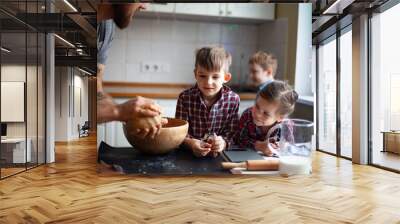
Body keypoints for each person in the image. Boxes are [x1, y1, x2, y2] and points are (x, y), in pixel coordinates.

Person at [97, 3, 166, 138]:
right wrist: (118, 111)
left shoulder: (107, 26)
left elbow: (96, 94)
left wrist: (135, 113)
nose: (145, 6)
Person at [175, 46, 240, 157]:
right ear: (195, 74)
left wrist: (223, 143)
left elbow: (232, 134)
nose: (208, 82)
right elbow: (179, 133)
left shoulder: (233, 100)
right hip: (189, 156)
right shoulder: (185, 98)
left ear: (226, 77)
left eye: (215, 77)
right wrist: (191, 143)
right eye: (202, 76)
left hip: (221, 157)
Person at [236, 80, 298, 156]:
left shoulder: (286, 126)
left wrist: (280, 147)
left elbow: (290, 148)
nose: (257, 114)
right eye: (257, 106)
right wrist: (259, 146)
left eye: (266, 113)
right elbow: (238, 139)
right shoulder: (247, 115)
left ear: (280, 118)